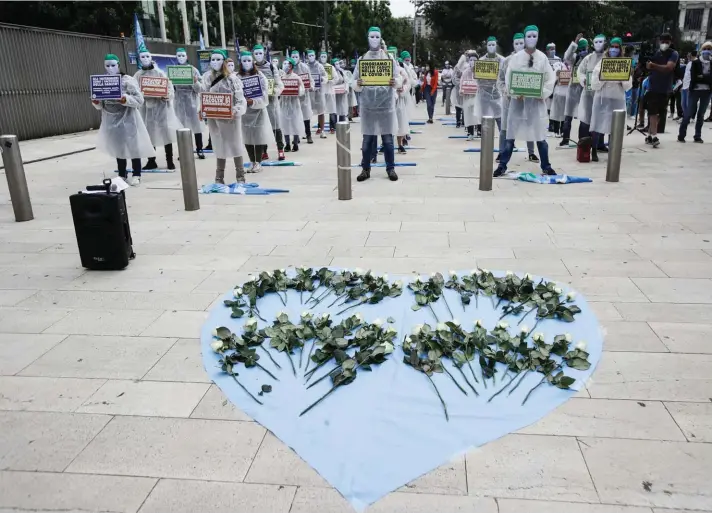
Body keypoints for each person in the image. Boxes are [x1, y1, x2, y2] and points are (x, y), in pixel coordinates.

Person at [495, 25, 557, 177]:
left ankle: (546, 166)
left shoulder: (542, 58)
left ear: (538, 37)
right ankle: (502, 165)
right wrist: (515, 93)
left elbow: (550, 79)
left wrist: (542, 93)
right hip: (518, 104)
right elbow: (510, 78)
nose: (531, 39)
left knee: (540, 137)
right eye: (528, 36)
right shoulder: (516, 58)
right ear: (524, 38)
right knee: (510, 136)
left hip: (536, 105)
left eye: (534, 36)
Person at [92, 54, 155, 185]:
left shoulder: (128, 80)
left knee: (133, 147)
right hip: (111, 120)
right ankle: (122, 174)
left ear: (119, 65)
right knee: (118, 147)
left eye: (113, 65)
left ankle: (136, 173)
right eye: (107, 66)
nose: (110, 68)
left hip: (128, 118)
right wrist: (96, 101)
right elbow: (100, 106)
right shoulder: (101, 82)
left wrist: (125, 99)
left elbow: (139, 100)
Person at [353, 26, 399, 182]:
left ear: (381, 38)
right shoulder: (362, 60)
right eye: (371, 37)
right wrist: (357, 84)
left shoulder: (388, 59)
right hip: (368, 107)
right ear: (367, 38)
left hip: (386, 107)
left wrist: (395, 82)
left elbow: (398, 78)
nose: (374, 39)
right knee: (367, 141)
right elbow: (352, 81)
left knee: (388, 140)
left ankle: (390, 168)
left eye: (377, 36)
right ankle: (365, 169)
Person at [201, 49, 247, 184]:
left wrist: (236, 110)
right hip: (214, 119)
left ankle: (240, 176)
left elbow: (240, 99)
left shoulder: (233, 79)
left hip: (231, 119)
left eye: (218, 59)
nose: (215, 62)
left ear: (224, 61)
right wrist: (201, 110)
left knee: (235, 145)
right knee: (219, 145)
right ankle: (219, 177)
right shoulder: (207, 77)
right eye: (213, 59)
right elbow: (203, 96)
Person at [134, 44, 182, 172]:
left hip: (161, 108)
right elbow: (133, 90)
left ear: (151, 57)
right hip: (146, 108)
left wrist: (167, 96)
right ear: (139, 59)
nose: (145, 59)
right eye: (142, 57)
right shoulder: (138, 75)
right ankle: (151, 161)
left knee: (165, 134)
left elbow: (170, 88)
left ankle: (169, 160)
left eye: (147, 56)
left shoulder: (160, 73)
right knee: (149, 135)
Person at [590, 37, 632, 162]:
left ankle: (613, 151)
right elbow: (594, 81)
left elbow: (628, 85)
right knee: (597, 124)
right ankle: (594, 150)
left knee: (615, 126)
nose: (614, 49)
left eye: (616, 47)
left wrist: (621, 78)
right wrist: (603, 78)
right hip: (602, 98)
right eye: (612, 47)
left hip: (617, 98)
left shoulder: (624, 63)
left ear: (620, 49)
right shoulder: (602, 61)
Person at [497, 32, 537, 160]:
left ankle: (531, 152)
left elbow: (536, 78)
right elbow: (500, 80)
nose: (519, 45)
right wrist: (506, 91)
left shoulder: (532, 59)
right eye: (516, 43)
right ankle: (501, 152)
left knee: (529, 125)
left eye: (521, 43)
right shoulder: (507, 61)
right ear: (513, 45)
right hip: (509, 100)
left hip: (527, 100)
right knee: (505, 127)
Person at [237, 51, 273, 173]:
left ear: (253, 62)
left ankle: (258, 162)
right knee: (247, 138)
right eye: (244, 61)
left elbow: (264, 95)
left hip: (258, 112)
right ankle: (252, 161)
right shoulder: (237, 77)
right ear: (240, 63)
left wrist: (253, 101)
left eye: (248, 60)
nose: (246, 63)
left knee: (258, 137)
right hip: (244, 113)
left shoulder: (260, 76)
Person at [645, 33, 679, 148]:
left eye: (667, 41)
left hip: (665, 88)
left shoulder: (673, 54)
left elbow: (669, 68)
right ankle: (654, 136)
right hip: (653, 87)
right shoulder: (656, 52)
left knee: (659, 113)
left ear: (670, 42)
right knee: (653, 112)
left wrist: (653, 66)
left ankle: (650, 134)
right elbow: (647, 66)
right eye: (662, 41)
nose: (664, 43)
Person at [173, 48, 205, 159]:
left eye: (183, 55)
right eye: (179, 55)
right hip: (179, 102)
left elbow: (200, 88)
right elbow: (170, 88)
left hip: (192, 101)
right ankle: (184, 151)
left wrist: (195, 82)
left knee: (196, 126)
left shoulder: (193, 70)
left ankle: (199, 149)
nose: (181, 57)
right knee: (181, 127)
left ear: (187, 57)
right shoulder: (173, 70)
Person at [254, 45, 285, 161]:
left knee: (276, 126)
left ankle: (280, 149)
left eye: (260, 53)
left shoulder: (271, 67)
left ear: (264, 53)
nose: (258, 56)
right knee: (261, 128)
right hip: (258, 104)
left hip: (271, 102)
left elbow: (279, 84)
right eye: (256, 53)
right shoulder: (251, 67)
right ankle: (264, 151)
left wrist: (274, 92)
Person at [678, 41, 712, 143]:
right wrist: (706, 78)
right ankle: (681, 134)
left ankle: (697, 135)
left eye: (709, 49)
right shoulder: (695, 63)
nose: (707, 51)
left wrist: (703, 77)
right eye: (705, 49)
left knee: (701, 114)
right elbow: (694, 77)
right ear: (702, 50)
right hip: (695, 90)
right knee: (688, 113)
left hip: (707, 92)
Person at [577, 34, 607, 146]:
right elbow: (580, 71)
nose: (598, 44)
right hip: (588, 94)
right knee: (585, 120)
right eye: (596, 42)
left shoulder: (608, 58)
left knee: (600, 120)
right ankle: (583, 144)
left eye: (601, 42)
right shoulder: (588, 58)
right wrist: (583, 80)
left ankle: (599, 144)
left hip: (602, 94)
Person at [560, 35, 588, 146]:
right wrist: (574, 43)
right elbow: (566, 57)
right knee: (568, 115)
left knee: (584, 114)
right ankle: (565, 138)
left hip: (584, 88)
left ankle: (582, 139)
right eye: (582, 47)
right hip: (572, 88)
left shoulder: (588, 58)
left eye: (584, 47)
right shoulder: (574, 57)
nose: (583, 49)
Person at [476, 37, 504, 140]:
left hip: (497, 93)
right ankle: (485, 138)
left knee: (500, 117)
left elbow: (504, 77)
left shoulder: (502, 60)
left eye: (493, 44)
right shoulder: (481, 61)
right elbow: (477, 79)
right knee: (485, 118)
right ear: (486, 46)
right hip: (484, 94)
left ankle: (504, 138)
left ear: (496, 45)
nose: (491, 47)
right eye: (489, 45)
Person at [280, 58, 306, 152]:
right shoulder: (281, 77)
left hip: (294, 104)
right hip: (284, 104)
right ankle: (287, 144)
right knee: (285, 123)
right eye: (284, 64)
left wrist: (297, 91)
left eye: (287, 64)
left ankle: (295, 143)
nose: (286, 66)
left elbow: (302, 90)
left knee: (295, 123)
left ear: (291, 65)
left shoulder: (296, 77)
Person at [291, 51, 314, 144]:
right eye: (293, 57)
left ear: (299, 57)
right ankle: (296, 137)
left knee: (306, 117)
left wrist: (312, 86)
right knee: (294, 117)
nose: (294, 58)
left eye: (296, 56)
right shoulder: (288, 67)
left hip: (304, 97)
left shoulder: (305, 67)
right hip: (293, 97)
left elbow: (310, 79)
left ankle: (308, 135)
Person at [457, 50, 479, 141]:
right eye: (470, 60)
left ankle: (479, 129)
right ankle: (470, 133)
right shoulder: (466, 71)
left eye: (474, 60)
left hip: (477, 97)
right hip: (467, 96)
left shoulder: (480, 71)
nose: (472, 62)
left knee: (477, 114)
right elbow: (461, 82)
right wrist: (461, 90)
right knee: (468, 115)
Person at [307, 50, 329, 138]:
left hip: (319, 92)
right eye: (309, 55)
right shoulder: (305, 66)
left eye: (312, 55)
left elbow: (325, 76)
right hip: (309, 92)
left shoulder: (319, 66)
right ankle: (307, 132)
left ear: (315, 56)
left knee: (321, 112)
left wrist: (323, 79)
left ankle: (322, 130)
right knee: (307, 112)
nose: (311, 57)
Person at [395, 57, 411, 153]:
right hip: (387, 101)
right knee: (386, 125)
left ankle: (400, 144)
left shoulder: (401, 71)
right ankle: (385, 144)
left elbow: (408, 83)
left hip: (399, 101)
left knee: (400, 123)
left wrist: (402, 89)